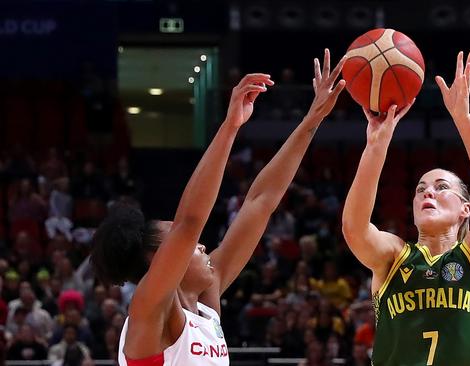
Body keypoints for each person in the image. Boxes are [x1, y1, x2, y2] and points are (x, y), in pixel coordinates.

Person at [90, 50, 347, 365]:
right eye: (187, 246)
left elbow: (260, 201)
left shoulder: (206, 306)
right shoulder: (148, 307)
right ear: (160, 259)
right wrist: (230, 127)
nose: (200, 245)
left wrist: (312, 119)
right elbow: (190, 222)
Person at [342, 51, 470, 366]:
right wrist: (376, 146)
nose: (428, 191)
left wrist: (463, 119)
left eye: (442, 187)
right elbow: (354, 227)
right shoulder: (394, 256)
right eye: (420, 189)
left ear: (465, 209)